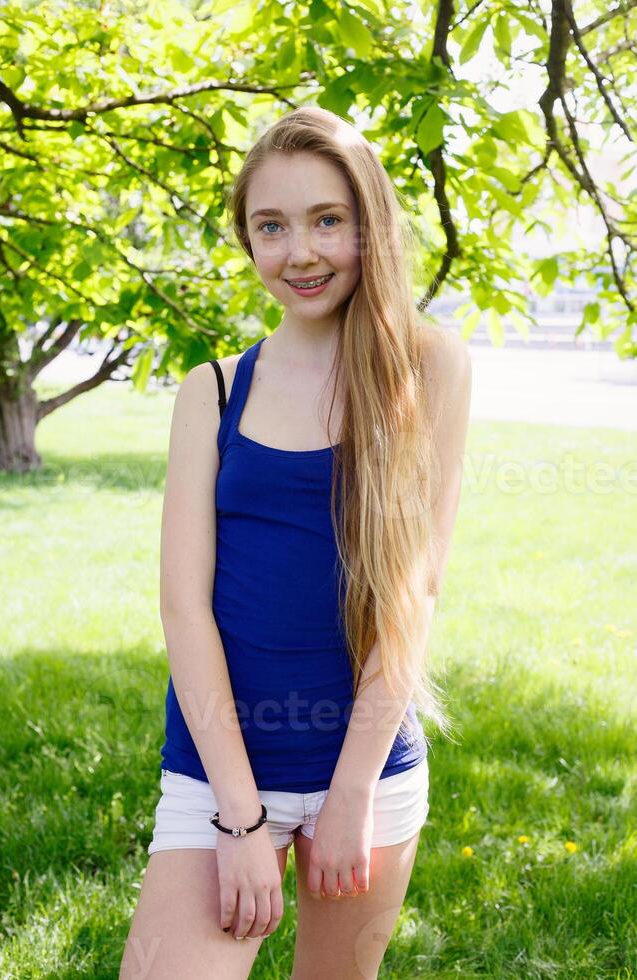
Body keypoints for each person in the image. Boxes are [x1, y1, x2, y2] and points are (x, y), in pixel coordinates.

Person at [120, 105, 472, 980]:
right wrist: (238, 818)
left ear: (369, 223)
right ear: (246, 239)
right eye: (270, 226)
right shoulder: (211, 390)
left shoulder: (430, 369)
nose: (300, 253)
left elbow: (411, 592)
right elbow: (184, 608)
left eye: (327, 220)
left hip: (366, 765)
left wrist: (350, 794)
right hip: (219, 770)